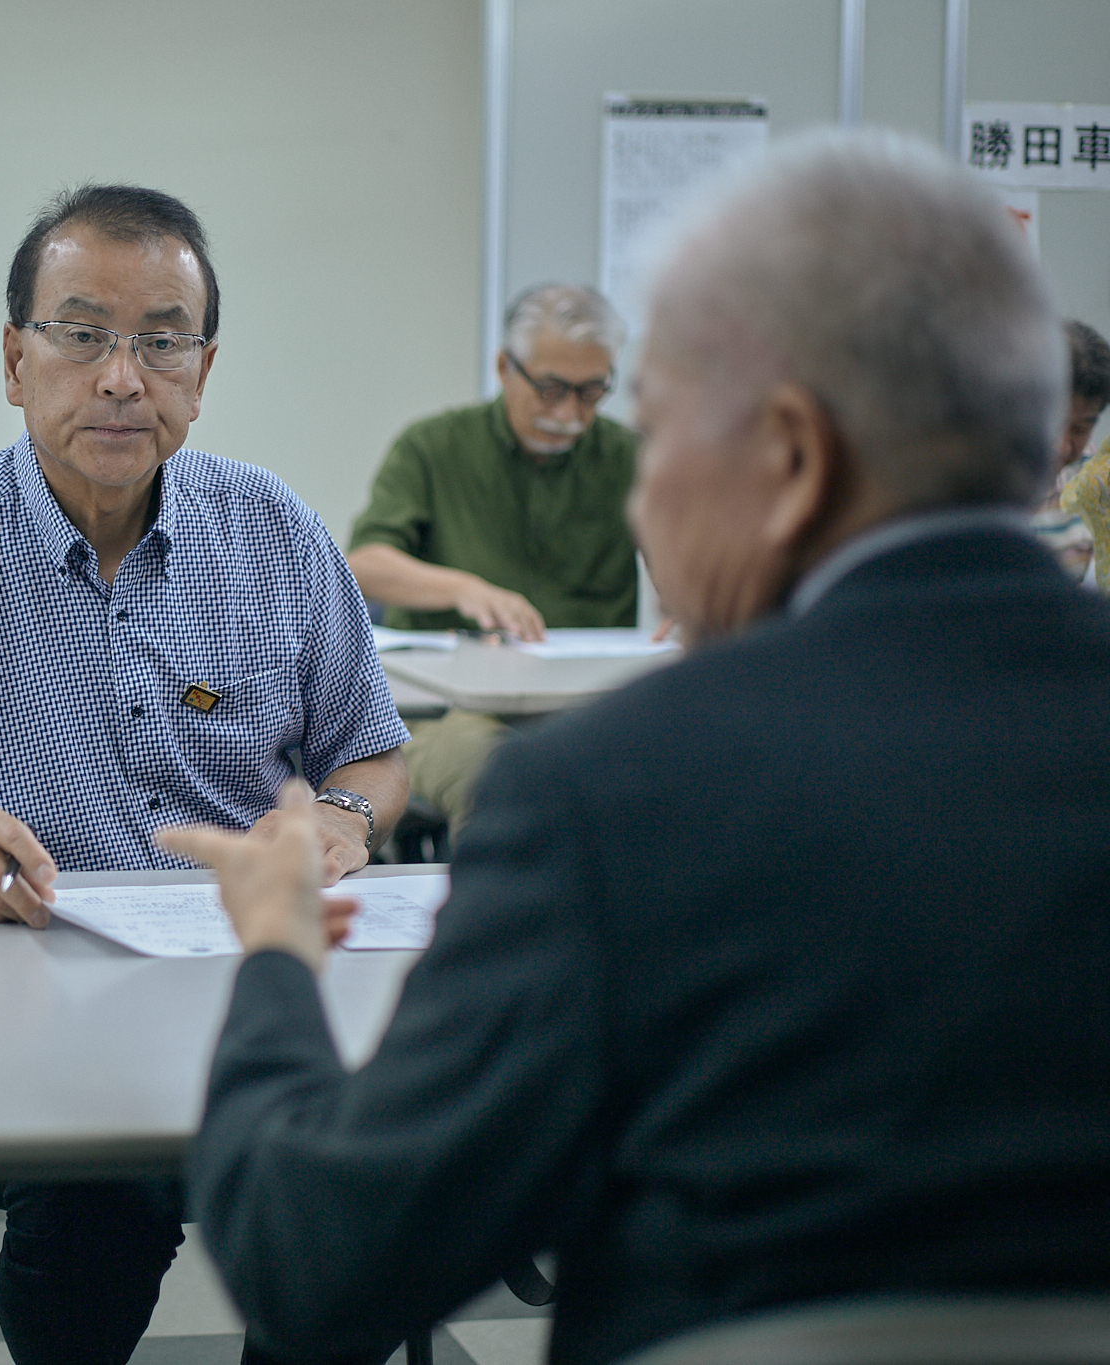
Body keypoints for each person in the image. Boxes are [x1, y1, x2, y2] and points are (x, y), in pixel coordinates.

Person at [174, 132, 1110, 1365]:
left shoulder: (613, 799)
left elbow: (319, 1266)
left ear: (787, 457)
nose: (637, 499)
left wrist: (279, 960)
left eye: (658, 437)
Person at [0, 185, 409, 1365]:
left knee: (370, 1185)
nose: (122, 377)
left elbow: (369, 746)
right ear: (14, 361)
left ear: (202, 369)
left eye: (161, 340)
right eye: (80, 334)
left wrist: (339, 815)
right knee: (92, 1201)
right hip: (32, 999)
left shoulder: (275, 533)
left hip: (248, 980)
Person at [346, 283, 638, 831]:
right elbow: (364, 564)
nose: (571, 414)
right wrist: (465, 590)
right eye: (552, 390)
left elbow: (694, 561)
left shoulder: (627, 458)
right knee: (502, 786)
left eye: (592, 392)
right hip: (451, 716)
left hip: (591, 710)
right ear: (505, 367)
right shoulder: (434, 447)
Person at [1036, 318, 1109, 581]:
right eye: (1054, 422)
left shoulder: (1098, 486)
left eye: (1079, 430)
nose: (1062, 446)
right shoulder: (975, 483)